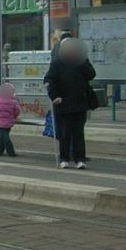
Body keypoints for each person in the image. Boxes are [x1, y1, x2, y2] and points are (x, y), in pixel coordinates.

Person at [44, 38, 96, 169]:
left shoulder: (82, 61)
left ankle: (80, 159)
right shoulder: (57, 63)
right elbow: (49, 80)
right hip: (63, 104)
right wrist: (54, 96)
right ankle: (64, 158)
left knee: (79, 133)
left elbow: (91, 74)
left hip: (80, 103)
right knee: (64, 133)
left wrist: (82, 62)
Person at [0, 83, 21, 157]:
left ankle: (11, 151)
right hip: (9, 122)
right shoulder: (14, 102)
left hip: (0, 122)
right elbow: (18, 110)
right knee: (3, 136)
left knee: (4, 137)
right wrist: (14, 116)